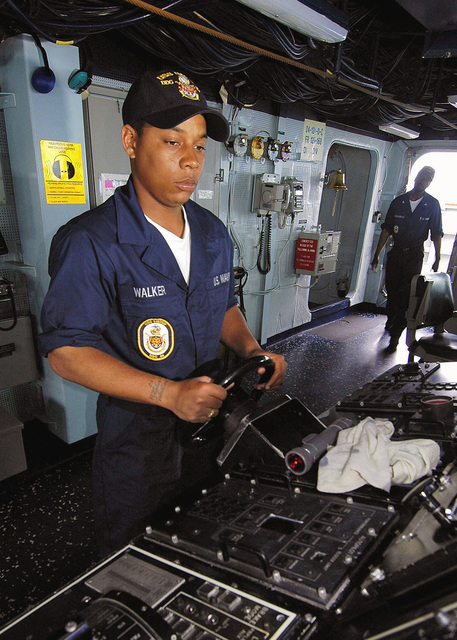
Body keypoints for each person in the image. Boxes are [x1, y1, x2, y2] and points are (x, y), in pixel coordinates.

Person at [38, 69, 287, 555]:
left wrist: (255, 350)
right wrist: (168, 393)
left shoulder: (212, 232)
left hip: (212, 422)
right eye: (173, 142)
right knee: (136, 555)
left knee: (204, 538)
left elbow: (222, 305)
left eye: (199, 145)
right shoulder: (90, 242)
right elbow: (67, 351)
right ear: (131, 140)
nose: (191, 162)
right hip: (138, 439)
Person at [371, 165, 443, 352]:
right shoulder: (399, 202)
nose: (423, 182)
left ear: (430, 183)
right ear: (415, 178)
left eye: (427, 180)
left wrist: (437, 258)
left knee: (405, 295)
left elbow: (436, 233)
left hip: (414, 255)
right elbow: (387, 229)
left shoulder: (432, 205)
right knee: (392, 290)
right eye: (421, 178)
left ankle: (395, 336)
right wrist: (377, 255)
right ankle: (391, 318)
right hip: (396, 253)